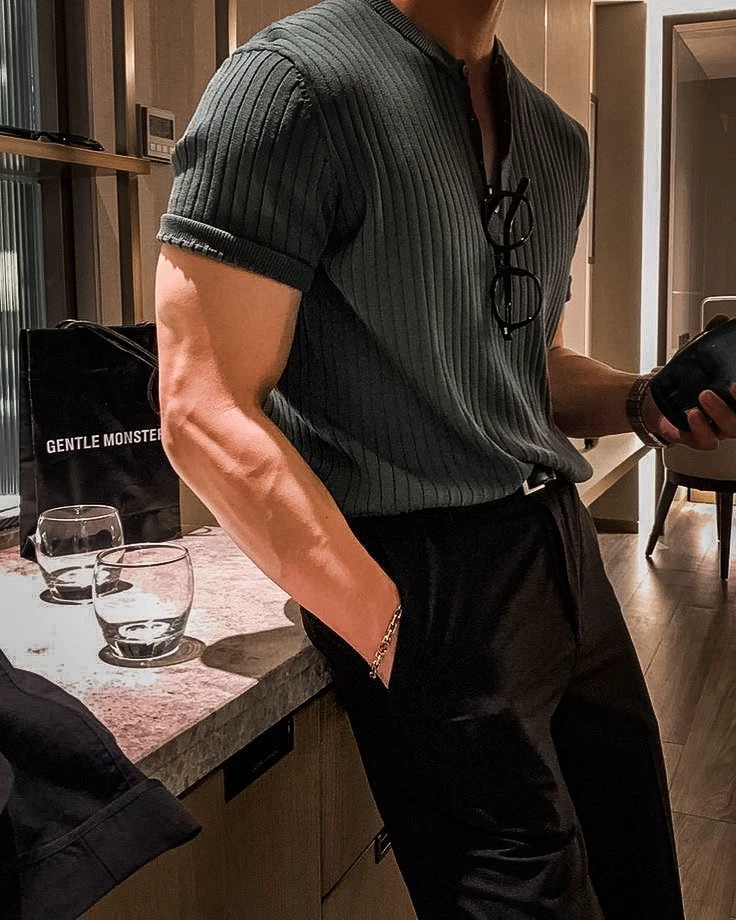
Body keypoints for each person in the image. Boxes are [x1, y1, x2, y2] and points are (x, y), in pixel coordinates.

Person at [154, 0, 736, 916]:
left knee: (640, 878)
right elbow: (201, 408)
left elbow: (522, 366)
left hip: (562, 551)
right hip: (425, 576)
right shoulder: (291, 86)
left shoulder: (557, 138)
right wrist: (393, 631)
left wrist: (642, 399)